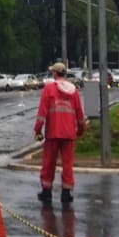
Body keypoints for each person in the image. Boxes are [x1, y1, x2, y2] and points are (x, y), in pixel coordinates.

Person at [33, 63, 86, 206]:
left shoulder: (49, 89)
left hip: (53, 132)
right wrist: (81, 130)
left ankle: (46, 190)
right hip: (69, 133)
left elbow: (42, 113)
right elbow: (80, 114)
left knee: (49, 162)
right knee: (67, 163)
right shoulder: (73, 90)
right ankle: (66, 192)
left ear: (55, 73)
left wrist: (38, 130)